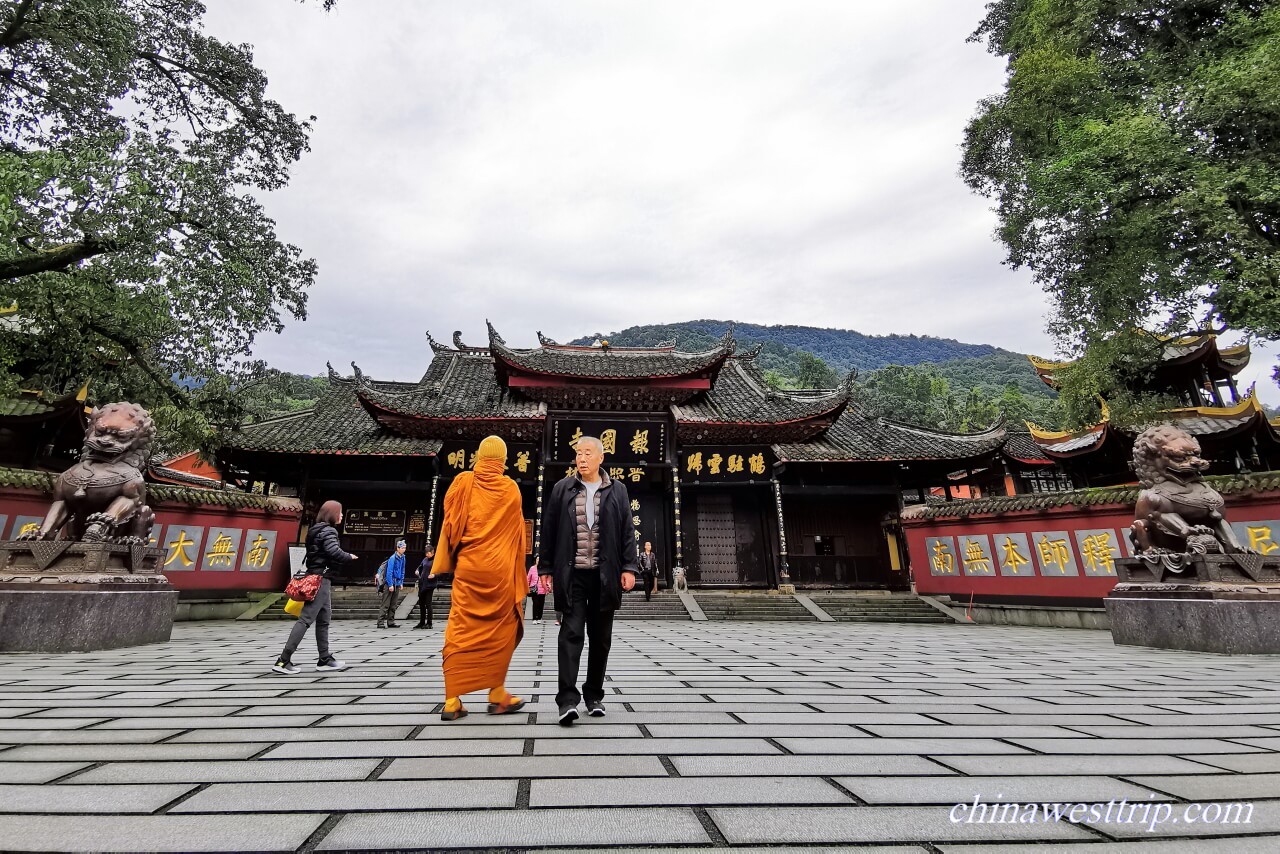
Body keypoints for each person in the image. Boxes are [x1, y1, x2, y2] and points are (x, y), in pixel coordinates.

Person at [539, 435, 637, 726]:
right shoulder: (562, 489)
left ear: (600, 458)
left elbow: (626, 531)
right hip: (573, 574)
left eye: (587, 453)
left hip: (605, 575)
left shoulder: (617, 490)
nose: (581, 458)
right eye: (578, 453)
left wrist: (629, 566)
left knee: (601, 637)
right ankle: (567, 700)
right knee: (570, 633)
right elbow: (549, 530)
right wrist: (545, 568)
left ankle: (594, 695)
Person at [430, 435, 528, 721]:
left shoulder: (462, 483)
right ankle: (497, 693)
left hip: (468, 569)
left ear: (479, 457)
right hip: (498, 572)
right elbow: (517, 535)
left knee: (460, 627)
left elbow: (450, 524)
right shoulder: (510, 489)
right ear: (502, 461)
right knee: (503, 627)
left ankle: (452, 700)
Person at [273, 500, 357, 674]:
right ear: (332, 514)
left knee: (324, 619)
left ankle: (324, 658)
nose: (341, 516)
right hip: (320, 580)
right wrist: (349, 556)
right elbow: (333, 551)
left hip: (318, 577)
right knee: (306, 619)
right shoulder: (329, 531)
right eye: (340, 512)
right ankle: (283, 660)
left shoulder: (315, 529)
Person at [377, 539, 407, 629]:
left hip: (397, 582)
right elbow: (389, 572)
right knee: (385, 603)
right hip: (390, 583)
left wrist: (401, 582)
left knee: (393, 604)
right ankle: (380, 622)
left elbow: (402, 570)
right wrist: (390, 584)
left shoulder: (403, 557)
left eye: (405, 548)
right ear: (397, 548)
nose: (404, 549)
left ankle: (391, 621)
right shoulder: (392, 558)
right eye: (402, 548)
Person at [413, 546, 438, 629]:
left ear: (433, 552)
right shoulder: (424, 559)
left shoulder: (436, 561)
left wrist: (434, 575)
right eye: (426, 553)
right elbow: (420, 567)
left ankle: (429, 623)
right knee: (421, 604)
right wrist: (417, 571)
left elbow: (440, 571)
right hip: (422, 583)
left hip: (430, 585)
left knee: (428, 604)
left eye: (429, 553)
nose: (427, 555)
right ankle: (422, 622)